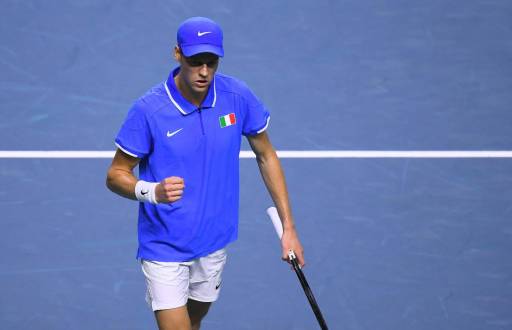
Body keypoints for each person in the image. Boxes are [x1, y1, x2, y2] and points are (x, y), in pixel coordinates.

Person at [106, 16, 304, 330]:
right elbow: (116, 173)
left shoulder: (237, 97)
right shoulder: (149, 111)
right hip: (164, 245)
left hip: (214, 240)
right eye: (195, 62)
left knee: (195, 320)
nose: (204, 72)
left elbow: (266, 154)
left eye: (211, 63)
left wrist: (289, 229)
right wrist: (152, 191)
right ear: (177, 54)